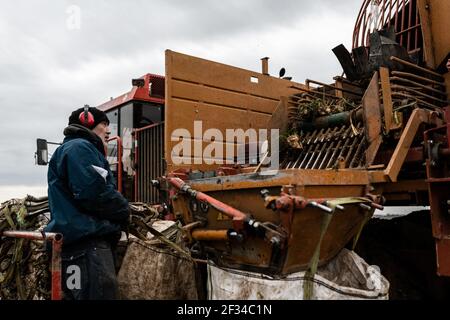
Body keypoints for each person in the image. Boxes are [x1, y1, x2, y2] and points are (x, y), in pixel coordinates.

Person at [45, 106, 129, 300]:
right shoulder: (80, 148)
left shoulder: (72, 149)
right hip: (86, 243)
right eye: (104, 124)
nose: (108, 131)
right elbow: (94, 193)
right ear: (87, 121)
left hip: (74, 241)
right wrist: (124, 209)